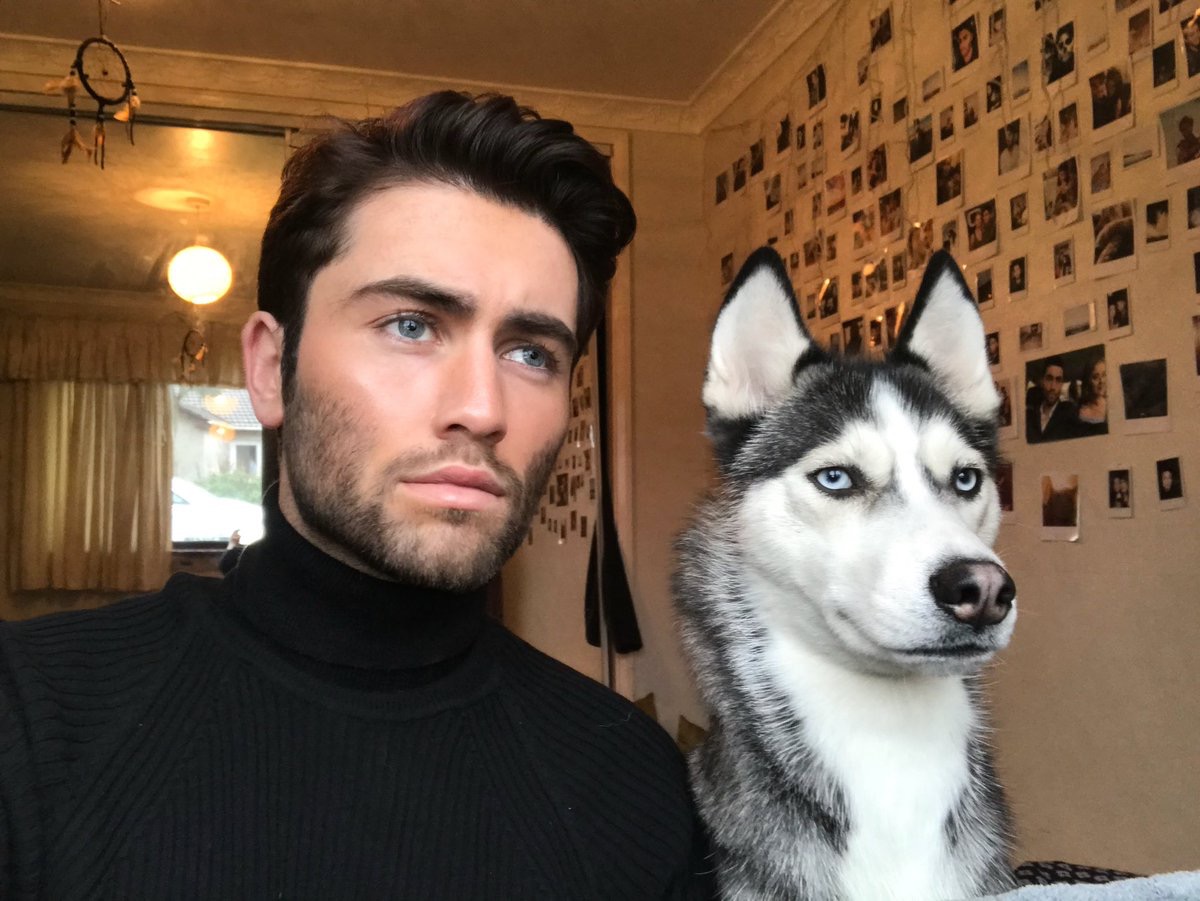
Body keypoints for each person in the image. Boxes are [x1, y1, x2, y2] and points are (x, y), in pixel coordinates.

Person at [0, 92, 711, 898]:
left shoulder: (634, 784)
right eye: (412, 324)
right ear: (272, 368)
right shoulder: (30, 718)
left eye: (531, 353)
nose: (483, 409)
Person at [1027, 357, 1079, 443]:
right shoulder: (1029, 416)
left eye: (1058, 380)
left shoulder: (1070, 415)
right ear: (1042, 381)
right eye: (1049, 379)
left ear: (1062, 384)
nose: (1053, 387)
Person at [1075, 357, 1108, 435]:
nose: (1101, 381)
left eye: (1104, 375)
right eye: (1095, 377)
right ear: (1088, 381)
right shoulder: (1082, 411)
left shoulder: (1111, 404)